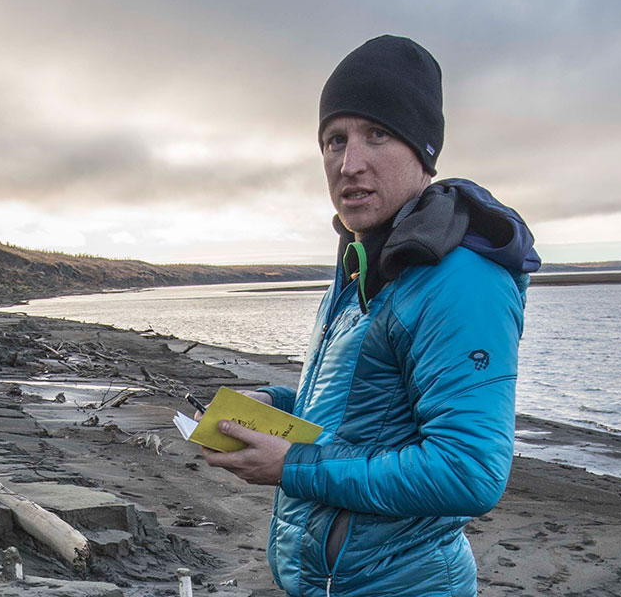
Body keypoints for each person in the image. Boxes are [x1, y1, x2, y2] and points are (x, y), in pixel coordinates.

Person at [200, 35, 541, 596]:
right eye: (335, 140)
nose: (349, 163)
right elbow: (362, 405)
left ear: (422, 150)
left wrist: (293, 466)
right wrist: (271, 405)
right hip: (337, 581)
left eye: (376, 134)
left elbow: (469, 470)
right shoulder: (363, 258)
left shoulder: (462, 279)